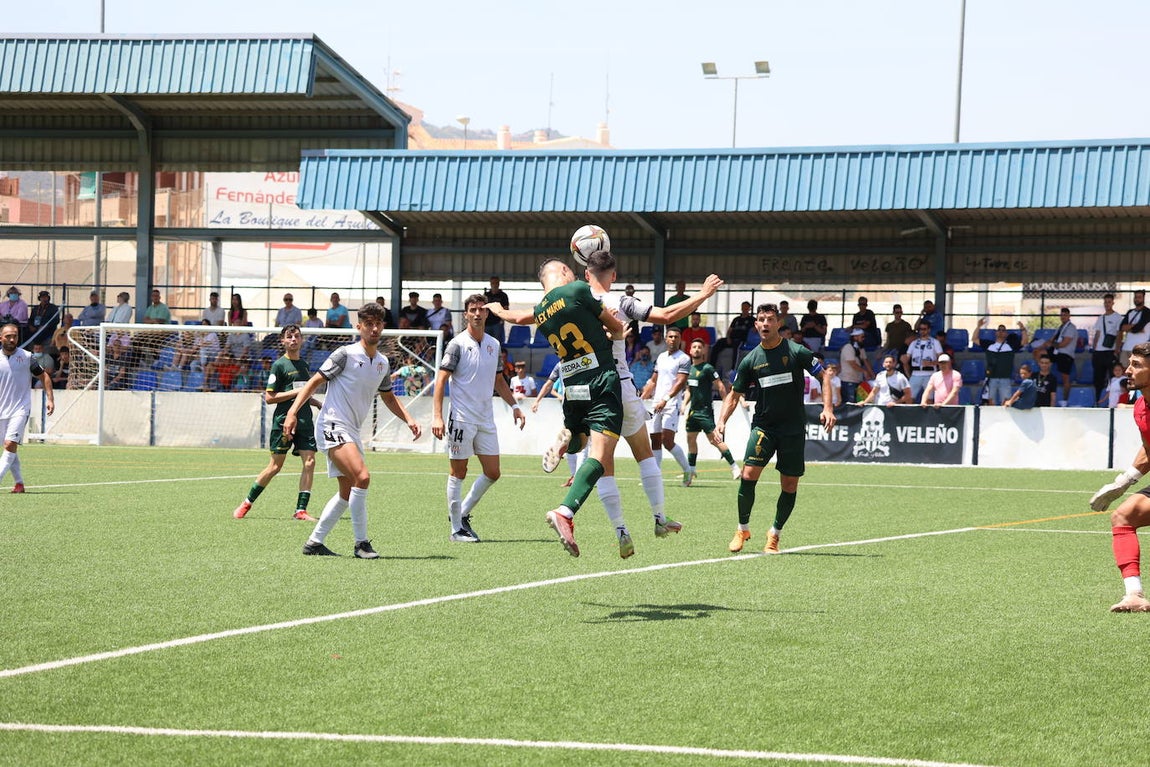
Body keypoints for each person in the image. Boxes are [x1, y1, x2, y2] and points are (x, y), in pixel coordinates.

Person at [487, 258, 626, 558]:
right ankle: (565, 511)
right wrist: (615, 327)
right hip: (600, 377)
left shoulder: (541, 311)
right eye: (571, 269)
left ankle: (568, 440)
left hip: (572, 384)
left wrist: (500, 312)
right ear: (563, 272)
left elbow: (521, 318)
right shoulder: (577, 289)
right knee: (601, 456)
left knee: (581, 439)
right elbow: (616, 330)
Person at [583, 251, 723, 534]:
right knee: (645, 454)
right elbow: (667, 315)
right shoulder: (620, 301)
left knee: (602, 461)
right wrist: (702, 294)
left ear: (586, 274)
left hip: (588, 387)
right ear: (614, 276)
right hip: (619, 382)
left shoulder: (574, 302)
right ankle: (659, 518)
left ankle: (620, 529)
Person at [285, 302, 422, 558]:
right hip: (332, 425)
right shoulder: (344, 355)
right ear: (358, 327)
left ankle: (314, 543)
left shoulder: (381, 363)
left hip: (350, 431)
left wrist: (409, 419)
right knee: (363, 476)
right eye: (368, 324)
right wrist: (292, 412)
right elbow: (314, 383)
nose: (374, 328)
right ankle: (361, 544)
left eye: (378, 324)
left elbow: (388, 397)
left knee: (347, 492)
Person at [716, 304, 835, 554]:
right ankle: (742, 529)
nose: (766, 323)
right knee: (748, 476)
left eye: (770, 319)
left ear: (778, 323)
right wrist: (722, 421)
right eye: (761, 319)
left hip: (792, 429)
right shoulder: (750, 360)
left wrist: (827, 408)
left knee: (789, 485)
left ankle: (774, 534)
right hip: (764, 427)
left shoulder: (795, 351)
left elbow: (824, 375)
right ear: (756, 325)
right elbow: (734, 394)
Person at [431, 294, 526, 542]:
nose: (476, 314)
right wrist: (438, 417)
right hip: (461, 418)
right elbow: (441, 381)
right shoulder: (457, 344)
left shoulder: (494, 344)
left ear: (487, 314)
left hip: (486, 419)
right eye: (472, 310)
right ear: (465, 314)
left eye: (481, 310)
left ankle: (461, 514)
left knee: (493, 472)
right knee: (458, 472)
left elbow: (498, 381)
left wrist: (514, 405)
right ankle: (455, 529)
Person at [232, 324, 322, 522]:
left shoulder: (305, 365)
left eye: (297, 336)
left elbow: (304, 393)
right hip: (284, 421)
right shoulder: (279, 365)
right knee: (275, 466)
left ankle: (301, 510)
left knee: (310, 461)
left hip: (305, 419)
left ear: (301, 340)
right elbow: (270, 397)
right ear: (282, 341)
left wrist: (315, 402)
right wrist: (298, 392)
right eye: (289, 337)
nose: (293, 340)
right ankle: (247, 503)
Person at [1088, 343, 1150, 611]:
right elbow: (1149, 449)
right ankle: (1134, 595)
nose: (1128, 370)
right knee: (1123, 517)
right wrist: (1122, 482)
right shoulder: (1139, 407)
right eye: (1130, 363)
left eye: (1137, 365)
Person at [0, 323, 54, 493]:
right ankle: (19, 483)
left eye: (15, 336)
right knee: (9, 447)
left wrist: (50, 398)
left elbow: (44, 376)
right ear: (1, 337)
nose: (11, 339)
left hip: (20, 409)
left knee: (9, 444)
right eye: (8, 336)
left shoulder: (27, 357)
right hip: (2, 410)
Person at [640, 326, 695, 484]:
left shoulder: (683, 358)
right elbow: (653, 379)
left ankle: (687, 470)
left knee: (667, 440)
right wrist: (643, 396)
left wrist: (666, 398)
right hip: (657, 402)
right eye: (670, 337)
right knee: (655, 440)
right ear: (666, 339)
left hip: (671, 403)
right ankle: (656, 477)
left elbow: (680, 382)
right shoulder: (661, 357)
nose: (673, 339)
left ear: (680, 340)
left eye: (676, 337)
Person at [684, 337, 740, 480]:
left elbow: (720, 386)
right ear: (690, 350)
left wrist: (725, 402)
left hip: (705, 412)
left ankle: (735, 467)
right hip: (693, 412)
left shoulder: (707, 368)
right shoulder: (689, 369)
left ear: (703, 351)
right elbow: (689, 390)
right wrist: (684, 405)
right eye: (694, 346)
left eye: (699, 347)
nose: (696, 349)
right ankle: (691, 471)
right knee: (690, 439)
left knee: (714, 440)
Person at [980, 319, 1029, 405]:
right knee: (991, 400)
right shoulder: (989, 345)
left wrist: (1023, 329)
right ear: (995, 333)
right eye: (999, 330)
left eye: (1003, 330)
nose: (1001, 332)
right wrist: (978, 326)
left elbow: (1024, 342)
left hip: (1005, 378)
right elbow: (974, 339)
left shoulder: (1010, 346)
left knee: (1006, 400)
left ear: (1006, 334)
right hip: (991, 378)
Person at [1032, 307, 1077, 402]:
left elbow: (1064, 343)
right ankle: (1044, 371)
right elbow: (1052, 339)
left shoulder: (1071, 328)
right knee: (1037, 352)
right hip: (1056, 351)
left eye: (1065, 315)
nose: (1063, 317)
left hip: (1065, 354)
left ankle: (1065, 400)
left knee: (1065, 379)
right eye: (1062, 315)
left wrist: (1051, 344)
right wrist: (1041, 346)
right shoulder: (1061, 327)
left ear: (1069, 316)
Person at [1092, 293, 1123, 403]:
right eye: (1105, 302)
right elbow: (1097, 334)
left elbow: (1120, 334)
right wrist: (1094, 348)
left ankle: (1112, 401)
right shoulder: (1101, 318)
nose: (1107, 304)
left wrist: (1117, 349)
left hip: (1110, 351)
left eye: (1109, 302)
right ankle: (1097, 400)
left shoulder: (1118, 317)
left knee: (1112, 377)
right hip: (1099, 352)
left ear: (1113, 303)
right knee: (1098, 378)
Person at [903, 320, 942, 400]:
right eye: (920, 329)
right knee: (909, 397)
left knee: (929, 399)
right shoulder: (914, 343)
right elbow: (906, 359)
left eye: (924, 329)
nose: (922, 331)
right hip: (915, 373)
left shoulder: (935, 342)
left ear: (929, 330)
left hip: (930, 373)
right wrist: (908, 374)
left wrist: (931, 363)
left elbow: (942, 360)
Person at [710, 301, 755, 365]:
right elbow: (729, 330)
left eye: (746, 308)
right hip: (731, 339)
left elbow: (756, 329)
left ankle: (733, 369)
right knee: (718, 343)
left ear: (749, 309)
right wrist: (728, 338)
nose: (744, 310)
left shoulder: (752, 319)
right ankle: (712, 365)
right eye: (743, 308)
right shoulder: (736, 319)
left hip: (741, 340)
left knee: (736, 348)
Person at [838, 327, 872, 403]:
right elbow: (852, 364)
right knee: (850, 403)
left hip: (858, 380)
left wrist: (872, 375)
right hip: (848, 381)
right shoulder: (848, 347)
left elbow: (865, 361)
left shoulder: (861, 349)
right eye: (862, 337)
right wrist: (864, 371)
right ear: (855, 337)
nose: (863, 339)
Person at [1120, 289, 1150, 367]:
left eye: (1139, 297)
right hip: (1126, 347)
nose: (1137, 299)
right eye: (1135, 297)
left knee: (1138, 372)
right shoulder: (1130, 312)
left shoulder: (1147, 312)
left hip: (1140, 349)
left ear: (1143, 298)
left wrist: (1130, 327)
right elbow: (1122, 327)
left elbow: (1138, 328)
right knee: (1123, 370)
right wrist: (1134, 326)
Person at [483, 276, 510, 344]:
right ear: (490, 284)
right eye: (493, 283)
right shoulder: (486, 295)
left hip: (497, 323)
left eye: (496, 283)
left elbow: (506, 308)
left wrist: (502, 320)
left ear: (499, 284)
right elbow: (483, 307)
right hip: (486, 323)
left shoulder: (503, 295)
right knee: (485, 342)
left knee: (496, 343)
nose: (494, 285)